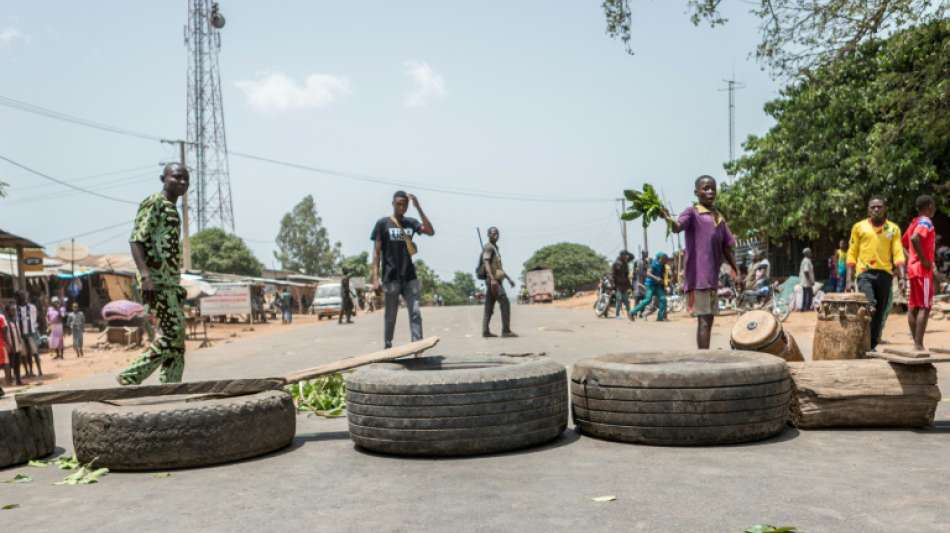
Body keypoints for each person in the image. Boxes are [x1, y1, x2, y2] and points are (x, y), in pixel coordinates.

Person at [117, 162, 190, 385]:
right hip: (156, 280)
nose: (182, 182)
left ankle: (171, 385)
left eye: (186, 179)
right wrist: (146, 277)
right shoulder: (155, 203)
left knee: (177, 339)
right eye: (177, 177)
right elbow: (136, 239)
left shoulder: (172, 209)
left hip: (170, 282)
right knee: (173, 333)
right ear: (163, 179)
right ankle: (131, 376)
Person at [664, 175, 738, 349]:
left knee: (709, 319)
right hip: (699, 276)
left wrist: (736, 270)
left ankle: (704, 355)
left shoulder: (718, 217)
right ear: (696, 192)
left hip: (712, 278)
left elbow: (726, 247)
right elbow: (677, 227)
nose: (710, 191)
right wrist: (666, 218)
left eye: (713, 188)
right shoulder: (692, 212)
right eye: (706, 188)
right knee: (704, 320)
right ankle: (704, 358)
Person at [371, 191, 435, 348]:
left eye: (405, 204)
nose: (402, 207)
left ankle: (417, 346)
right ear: (393, 204)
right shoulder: (382, 224)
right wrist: (375, 278)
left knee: (415, 312)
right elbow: (376, 253)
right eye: (399, 204)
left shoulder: (411, 223)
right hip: (390, 277)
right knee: (391, 315)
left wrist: (418, 207)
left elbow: (430, 231)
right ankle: (388, 345)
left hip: (409, 277)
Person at [845, 195, 906, 351]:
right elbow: (852, 253)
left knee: (879, 313)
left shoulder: (893, 229)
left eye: (879, 206)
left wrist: (902, 277)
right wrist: (849, 280)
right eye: (873, 207)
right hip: (865, 273)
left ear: (885, 209)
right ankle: (860, 341)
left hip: (885, 274)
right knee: (870, 305)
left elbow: (898, 253)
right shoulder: (859, 227)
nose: (876, 209)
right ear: (868, 210)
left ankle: (871, 346)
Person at [902, 195, 937, 352]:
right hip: (922, 271)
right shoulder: (925, 221)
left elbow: (904, 244)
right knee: (925, 306)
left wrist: (913, 259)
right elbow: (916, 238)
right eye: (934, 205)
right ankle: (918, 344)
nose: (935, 209)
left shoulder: (913, 223)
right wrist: (923, 260)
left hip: (913, 270)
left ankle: (917, 344)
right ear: (929, 205)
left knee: (913, 306)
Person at [481, 227, 517, 337]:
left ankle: (485, 331)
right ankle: (506, 330)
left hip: (495, 280)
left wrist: (508, 278)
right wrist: (492, 279)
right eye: (493, 233)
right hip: (494, 281)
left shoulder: (495, 248)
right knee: (505, 303)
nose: (495, 235)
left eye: (497, 233)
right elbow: (486, 262)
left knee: (489, 307)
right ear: (488, 235)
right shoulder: (489, 247)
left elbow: (498, 267)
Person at [630, 252, 670, 322]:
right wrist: (656, 278)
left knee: (663, 299)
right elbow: (648, 273)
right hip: (650, 285)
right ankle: (632, 312)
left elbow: (663, 277)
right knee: (648, 300)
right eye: (665, 258)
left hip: (658, 286)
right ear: (660, 258)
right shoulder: (653, 264)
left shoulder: (663, 265)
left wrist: (663, 285)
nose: (666, 260)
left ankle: (660, 317)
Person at [13, 291, 41, 377]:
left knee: (35, 352)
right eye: (19, 297)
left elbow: (34, 319)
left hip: (31, 333)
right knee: (24, 354)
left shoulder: (32, 307)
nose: (22, 298)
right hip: (20, 334)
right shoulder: (15, 308)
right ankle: (28, 372)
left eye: (23, 296)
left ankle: (39, 370)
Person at [3, 304, 24, 386]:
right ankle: (10, 380)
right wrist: (8, 344)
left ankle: (18, 380)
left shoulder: (15, 320)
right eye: (12, 310)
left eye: (14, 310)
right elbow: (5, 334)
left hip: (17, 345)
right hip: (11, 346)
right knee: (11, 364)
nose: (14, 312)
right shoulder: (6, 321)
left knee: (18, 363)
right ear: (7, 311)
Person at [611, 251, 634, 319]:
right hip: (618, 285)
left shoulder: (625, 262)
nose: (626, 257)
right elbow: (613, 275)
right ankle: (617, 315)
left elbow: (632, 257)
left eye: (626, 255)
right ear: (621, 255)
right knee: (619, 299)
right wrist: (613, 285)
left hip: (625, 285)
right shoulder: (616, 263)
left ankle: (629, 314)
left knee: (626, 301)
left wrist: (630, 285)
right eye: (624, 255)